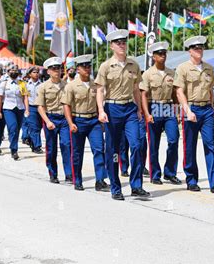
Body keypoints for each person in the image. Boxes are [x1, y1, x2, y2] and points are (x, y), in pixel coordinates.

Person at [95, 29, 150, 200]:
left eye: (124, 42)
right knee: (113, 150)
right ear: (111, 46)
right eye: (118, 43)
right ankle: (115, 187)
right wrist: (101, 110)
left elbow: (136, 89)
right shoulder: (105, 66)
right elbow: (100, 90)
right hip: (112, 109)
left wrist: (140, 109)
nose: (121, 45)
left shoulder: (134, 65)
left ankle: (136, 185)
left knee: (137, 145)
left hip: (130, 110)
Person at [174, 35, 214, 193]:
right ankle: (191, 180)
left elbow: (211, 89)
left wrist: (211, 106)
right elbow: (179, 91)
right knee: (189, 146)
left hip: (206, 110)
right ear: (190, 51)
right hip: (191, 109)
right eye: (196, 48)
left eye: (201, 48)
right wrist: (187, 111)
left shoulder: (209, 68)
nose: (199, 50)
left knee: (210, 145)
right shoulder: (183, 68)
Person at [62, 54, 109, 191]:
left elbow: (100, 102)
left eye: (89, 66)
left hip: (94, 121)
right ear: (77, 69)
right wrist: (70, 123)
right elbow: (66, 105)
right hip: (78, 120)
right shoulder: (71, 86)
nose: (87, 69)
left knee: (99, 149)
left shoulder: (96, 84)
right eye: (84, 66)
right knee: (77, 152)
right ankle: (77, 180)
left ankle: (100, 180)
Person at [140, 41, 181, 185]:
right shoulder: (147, 74)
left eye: (164, 53)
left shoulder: (172, 73)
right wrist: (146, 114)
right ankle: (155, 174)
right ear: (153, 57)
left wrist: (177, 111)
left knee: (174, 139)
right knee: (154, 143)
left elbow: (175, 94)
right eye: (159, 54)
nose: (162, 56)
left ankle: (169, 172)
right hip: (154, 107)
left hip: (169, 108)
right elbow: (143, 95)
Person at [35, 57, 73, 185]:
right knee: (51, 148)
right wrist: (47, 121)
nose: (57, 71)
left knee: (67, 145)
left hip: (64, 119)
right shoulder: (43, 87)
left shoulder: (66, 86)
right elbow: (40, 107)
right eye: (54, 69)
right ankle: (53, 173)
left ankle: (69, 174)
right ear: (48, 71)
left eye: (59, 68)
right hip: (50, 118)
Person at [0, 65, 29, 160]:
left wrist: (27, 109)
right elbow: (0, 98)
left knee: (17, 129)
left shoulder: (22, 83)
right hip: (8, 109)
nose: (13, 72)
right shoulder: (4, 84)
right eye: (11, 70)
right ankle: (14, 150)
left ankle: (13, 143)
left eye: (15, 70)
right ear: (8, 72)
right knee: (13, 127)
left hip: (19, 108)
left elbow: (25, 97)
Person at [25, 66, 43, 153]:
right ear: (29, 74)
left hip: (41, 108)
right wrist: (27, 109)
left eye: (37, 72)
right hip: (31, 107)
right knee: (34, 127)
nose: (36, 74)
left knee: (39, 127)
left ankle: (31, 139)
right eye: (34, 72)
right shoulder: (26, 85)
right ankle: (37, 146)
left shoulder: (42, 84)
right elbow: (25, 98)